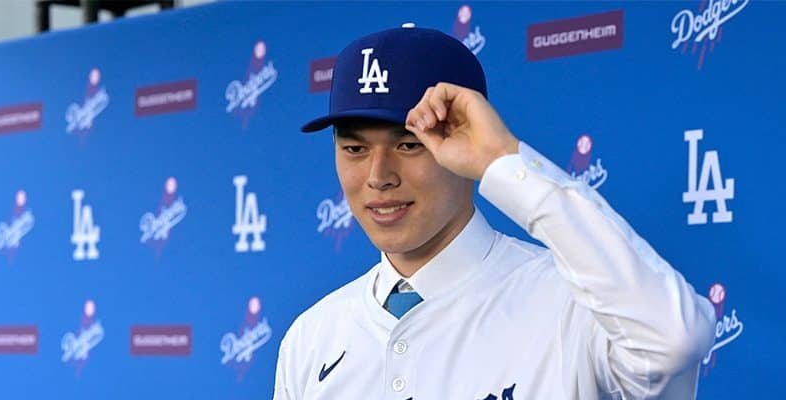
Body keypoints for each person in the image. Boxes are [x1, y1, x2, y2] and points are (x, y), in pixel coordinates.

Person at [274, 25, 715, 399]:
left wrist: (503, 160)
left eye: (409, 144)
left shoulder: (572, 305)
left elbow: (674, 341)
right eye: (354, 148)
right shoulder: (312, 336)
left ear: (465, 143)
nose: (378, 176)